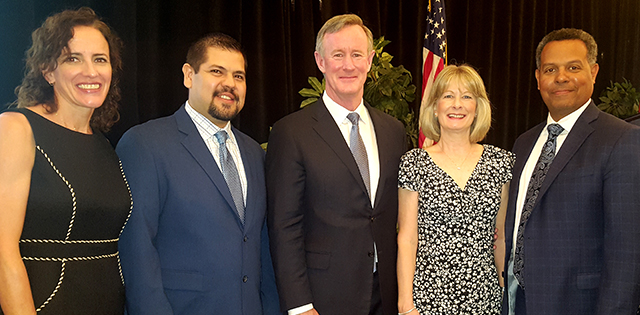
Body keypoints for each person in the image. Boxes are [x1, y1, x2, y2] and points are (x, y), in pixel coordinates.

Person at [115, 33, 279, 315]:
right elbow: (136, 249)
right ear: (189, 75)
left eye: (238, 76)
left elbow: (262, 245)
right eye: (217, 71)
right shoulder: (145, 144)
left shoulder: (255, 153)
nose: (229, 83)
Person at [266, 14, 406, 315]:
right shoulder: (291, 133)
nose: (348, 65)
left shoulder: (393, 131)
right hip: (323, 297)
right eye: (338, 55)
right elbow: (284, 226)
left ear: (369, 61)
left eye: (356, 54)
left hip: (385, 293)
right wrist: (300, 305)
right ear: (320, 61)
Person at [0, 7, 130, 315]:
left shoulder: (104, 144)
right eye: (73, 58)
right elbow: (2, 250)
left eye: (100, 59)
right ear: (47, 70)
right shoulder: (15, 127)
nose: (91, 71)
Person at [502, 28, 640, 314]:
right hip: (518, 302)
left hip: (579, 306)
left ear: (594, 71)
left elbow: (627, 251)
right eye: (550, 69)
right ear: (538, 78)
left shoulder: (621, 139)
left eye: (573, 67)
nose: (561, 77)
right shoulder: (524, 142)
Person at [396, 64, 513, 315]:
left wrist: (506, 293)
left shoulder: (502, 163)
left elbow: (501, 236)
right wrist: (405, 305)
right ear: (435, 107)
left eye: (466, 96)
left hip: (485, 298)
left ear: (477, 108)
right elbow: (407, 238)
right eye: (448, 96)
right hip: (428, 299)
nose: (457, 104)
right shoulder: (414, 163)